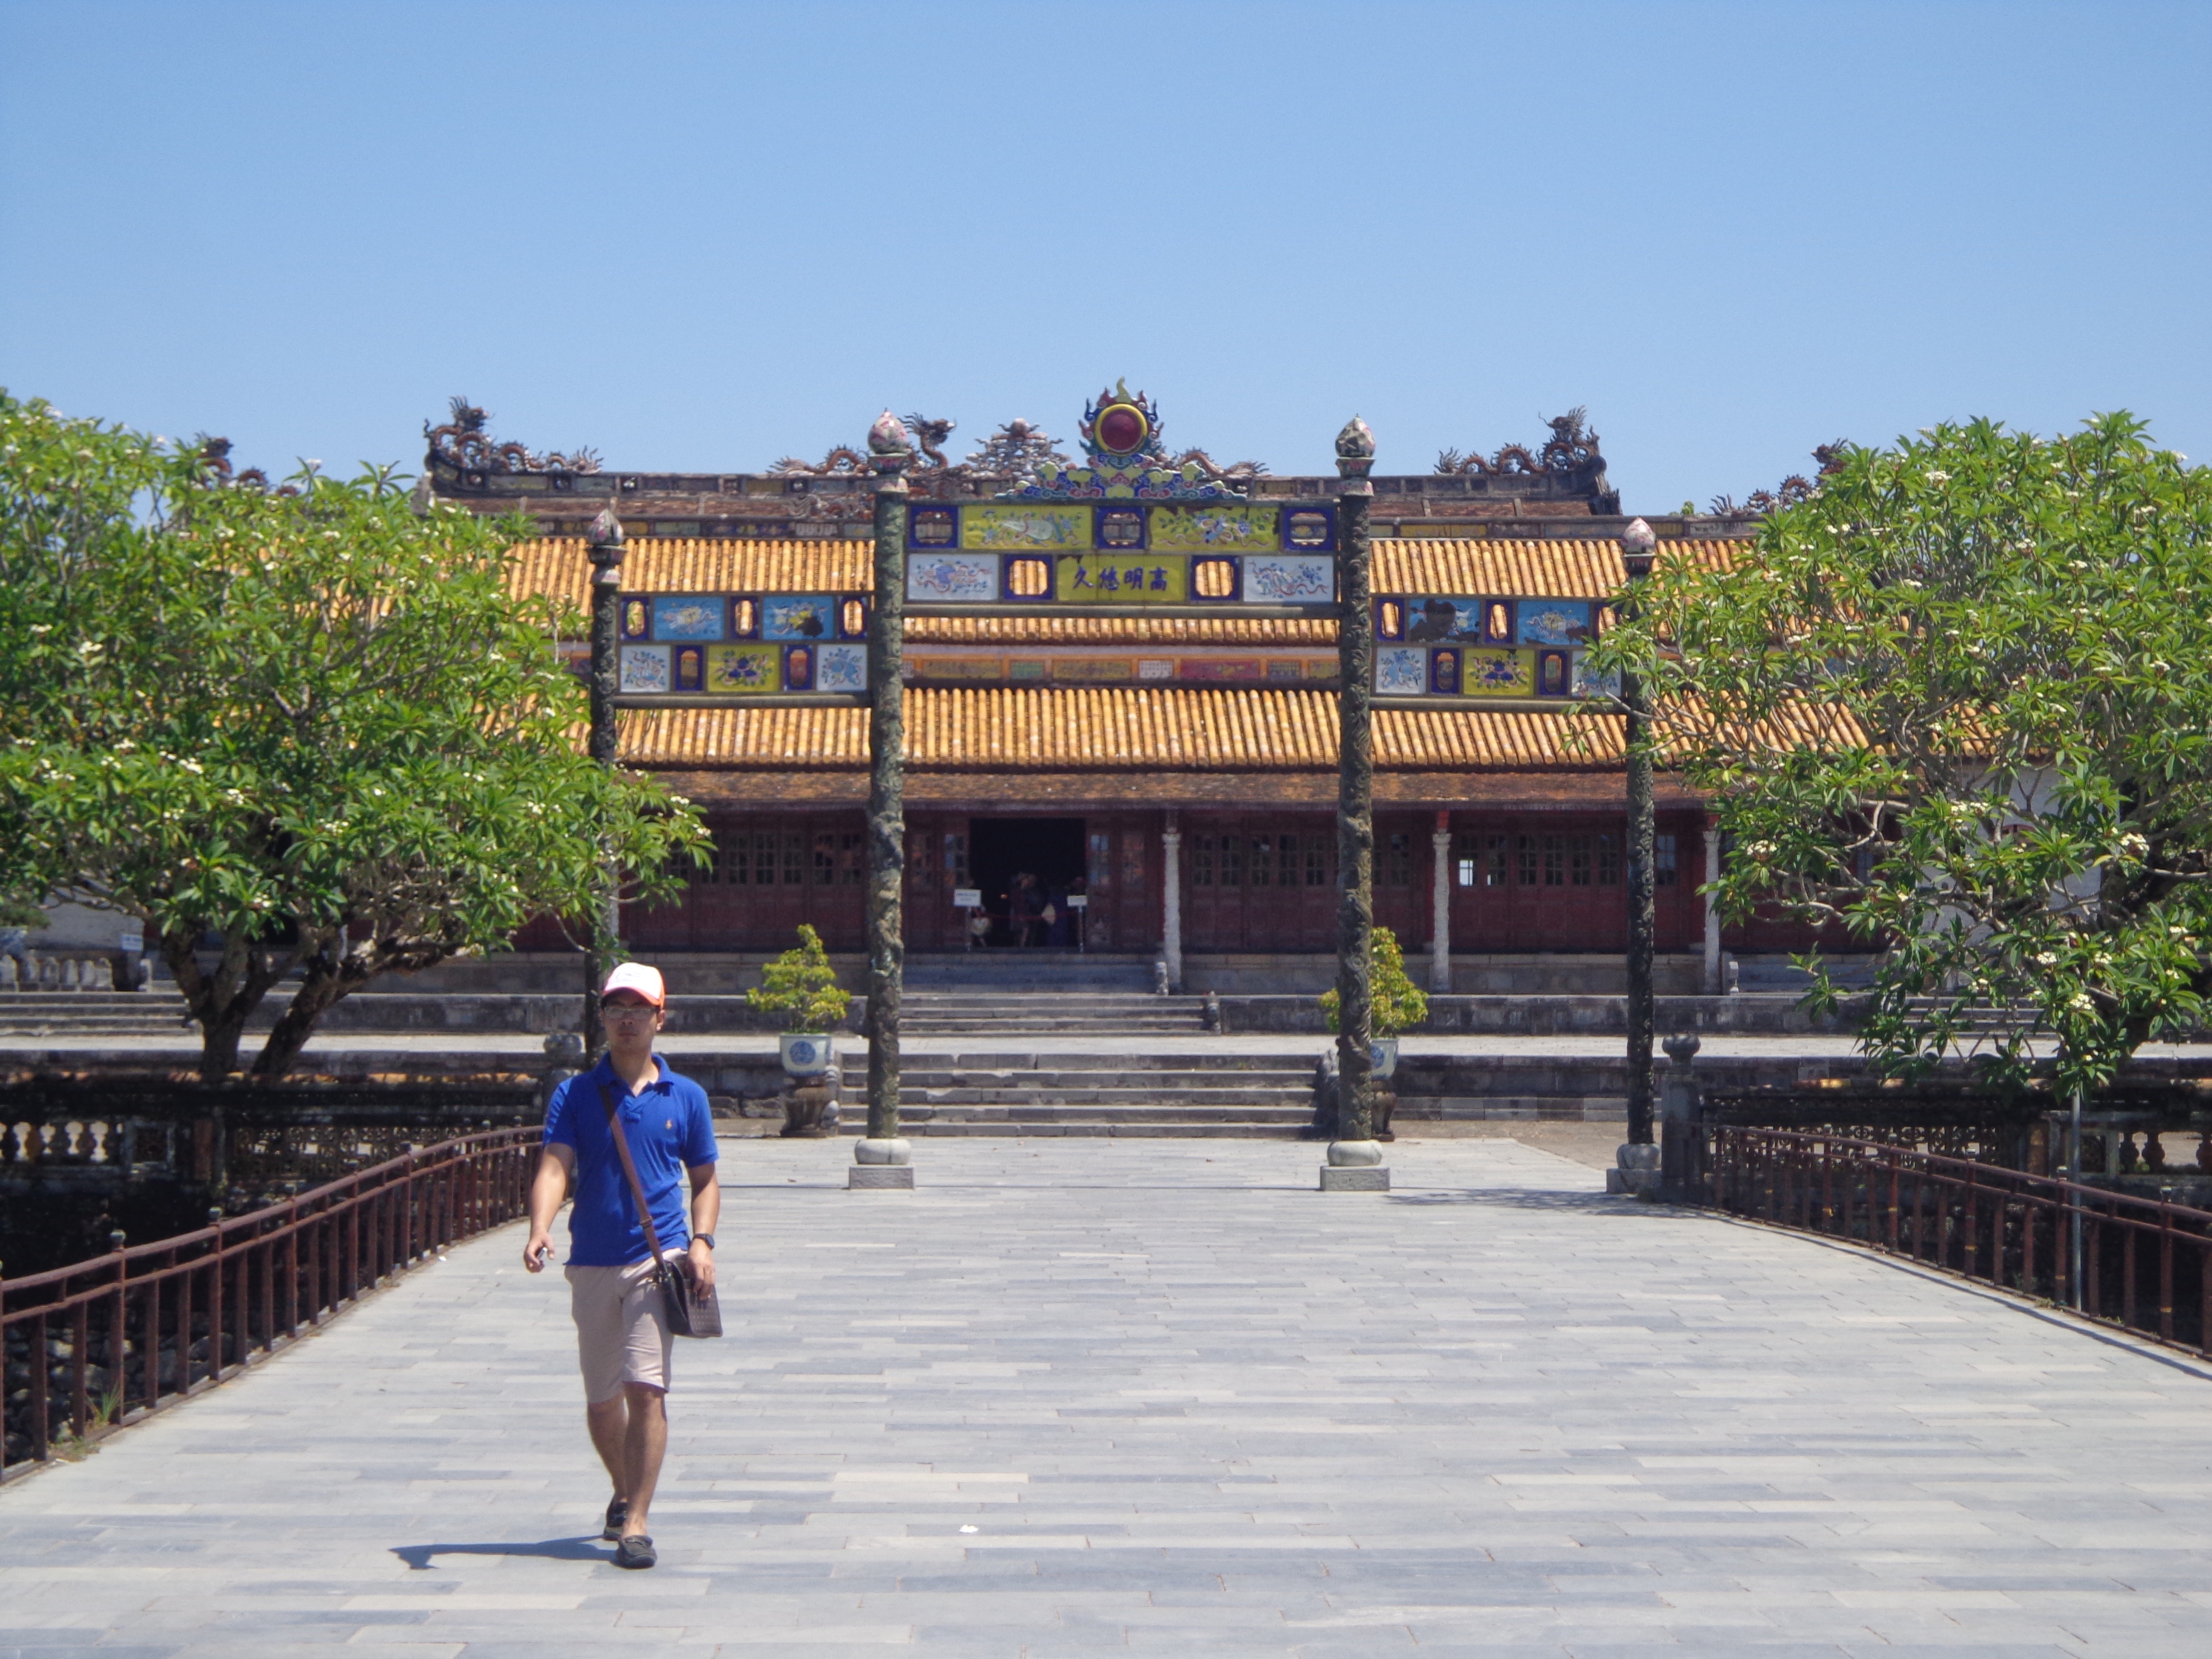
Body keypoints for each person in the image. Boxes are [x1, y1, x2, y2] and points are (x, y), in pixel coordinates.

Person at [523, 962, 719, 1571]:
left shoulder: (685, 1096)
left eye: (639, 1008)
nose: (627, 1019)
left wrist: (704, 1241)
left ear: (661, 1017)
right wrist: (539, 1227)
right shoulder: (576, 1094)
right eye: (616, 1008)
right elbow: (557, 1165)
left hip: (657, 1262)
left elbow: (705, 1178)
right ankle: (623, 1489)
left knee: (646, 1389)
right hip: (591, 1263)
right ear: (603, 1017)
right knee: (603, 1399)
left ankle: (637, 1524)